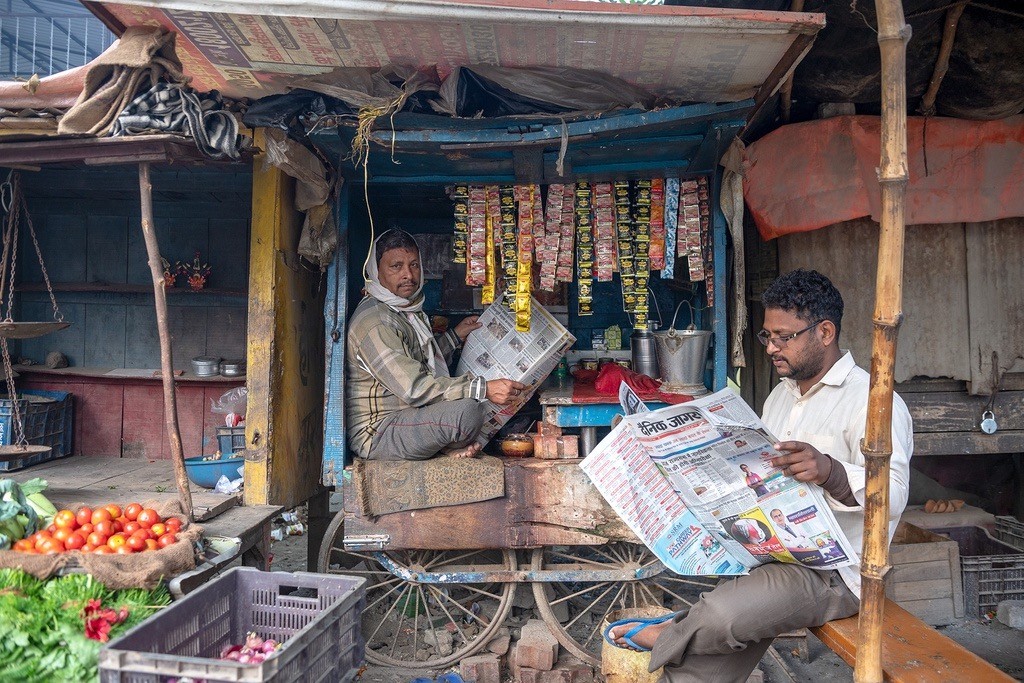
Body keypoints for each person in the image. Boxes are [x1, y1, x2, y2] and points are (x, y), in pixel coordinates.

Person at [608, 268, 913, 682]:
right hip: (777, 555)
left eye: (783, 337)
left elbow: (894, 496)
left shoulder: (872, 402)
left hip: (837, 574)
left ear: (825, 332)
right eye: (766, 336)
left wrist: (831, 473)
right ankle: (685, 635)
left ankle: (673, 631)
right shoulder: (779, 398)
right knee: (699, 669)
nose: (770, 347)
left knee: (723, 615)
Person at [346, 229, 525, 461]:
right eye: (396, 266)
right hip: (379, 433)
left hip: (409, 417)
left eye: (413, 265)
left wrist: (454, 336)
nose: (408, 275)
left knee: (465, 410)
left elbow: (417, 359)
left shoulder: (404, 309)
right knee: (466, 414)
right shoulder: (376, 322)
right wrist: (484, 389)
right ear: (375, 272)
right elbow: (414, 388)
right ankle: (444, 445)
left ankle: (443, 446)